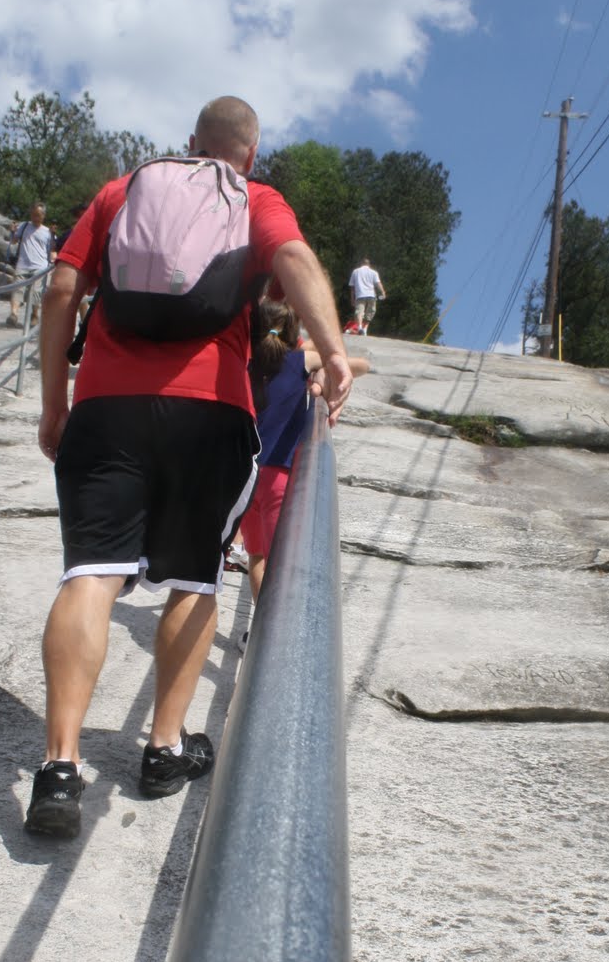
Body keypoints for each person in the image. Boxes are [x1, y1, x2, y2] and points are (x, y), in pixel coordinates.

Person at [24, 95, 353, 837]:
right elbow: (294, 259)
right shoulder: (255, 200)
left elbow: (59, 292)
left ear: (189, 143)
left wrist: (56, 405)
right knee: (193, 577)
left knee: (91, 575)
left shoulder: (120, 190)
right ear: (248, 156)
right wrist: (332, 352)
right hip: (211, 410)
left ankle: (59, 768)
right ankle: (164, 749)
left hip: (107, 405)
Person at [237, 301, 368, 648]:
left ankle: (262, 633)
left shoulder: (244, 362)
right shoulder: (298, 361)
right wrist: (322, 373)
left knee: (258, 558)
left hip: (244, 479)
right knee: (283, 562)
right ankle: (279, 638)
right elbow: (361, 365)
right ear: (295, 335)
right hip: (281, 478)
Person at [7, 201, 55, 327]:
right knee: (17, 289)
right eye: (33, 214)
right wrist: (12, 232)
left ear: (43, 216)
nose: (35, 217)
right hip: (22, 264)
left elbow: (53, 249)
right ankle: (14, 314)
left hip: (40, 267)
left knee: (36, 293)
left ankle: (34, 315)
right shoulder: (23, 226)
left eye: (38, 215)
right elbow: (14, 241)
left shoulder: (48, 232)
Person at [348, 257, 386, 335]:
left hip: (360, 295)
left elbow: (352, 287)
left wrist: (352, 299)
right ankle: (365, 328)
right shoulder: (373, 272)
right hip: (371, 295)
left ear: (361, 264)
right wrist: (383, 292)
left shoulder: (355, 272)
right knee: (371, 312)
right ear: (369, 265)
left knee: (359, 312)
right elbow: (378, 283)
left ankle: (360, 328)